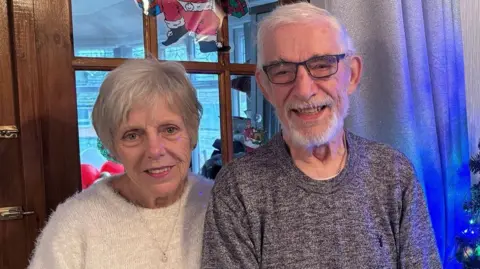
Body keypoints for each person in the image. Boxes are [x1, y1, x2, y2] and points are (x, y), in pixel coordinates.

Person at [201, 2, 442, 268]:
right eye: (282, 71)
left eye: (322, 65)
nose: (304, 90)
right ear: (265, 88)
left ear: (351, 74)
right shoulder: (238, 189)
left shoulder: (394, 173)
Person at [28, 58, 213, 269]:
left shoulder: (222, 206)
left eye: (169, 129)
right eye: (132, 135)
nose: (154, 150)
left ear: (192, 132)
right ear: (112, 146)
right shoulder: (75, 223)